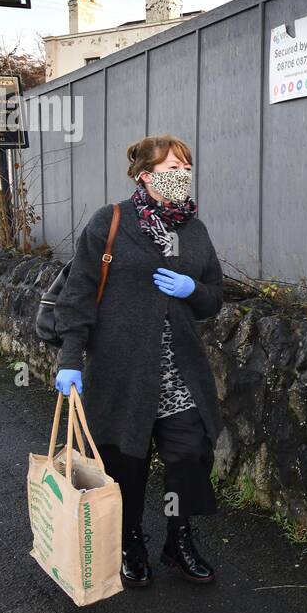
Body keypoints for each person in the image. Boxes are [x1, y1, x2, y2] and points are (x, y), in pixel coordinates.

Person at [52, 134, 225, 587]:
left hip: (179, 372)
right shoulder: (110, 222)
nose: (182, 177)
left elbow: (213, 299)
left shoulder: (195, 231)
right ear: (145, 176)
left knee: (190, 455)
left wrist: (194, 291)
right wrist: (71, 358)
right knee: (125, 463)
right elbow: (79, 295)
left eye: (186, 168)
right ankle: (129, 539)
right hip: (122, 371)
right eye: (172, 169)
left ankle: (178, 538)